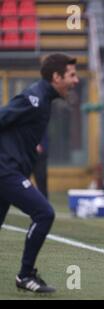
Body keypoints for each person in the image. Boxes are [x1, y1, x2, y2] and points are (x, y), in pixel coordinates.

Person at [0, 53, 79, 293]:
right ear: (56, 77)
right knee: (44, 213)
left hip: (9, 169)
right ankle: (25, 275)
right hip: (6, 171)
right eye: (71, 75)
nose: (75, 81)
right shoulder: (34, 98)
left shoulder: (44, 98)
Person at [32, 133, 49, 199]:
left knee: (41, 179)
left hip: (39, 156)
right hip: (25, 155)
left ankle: (44, 202)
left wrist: (40, 145)